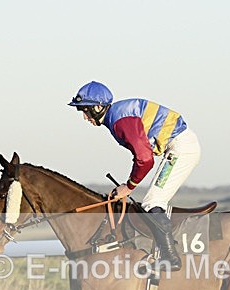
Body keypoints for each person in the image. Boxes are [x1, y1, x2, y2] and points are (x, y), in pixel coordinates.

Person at [68, 81, 201, 270]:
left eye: (85, 110)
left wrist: (128, 187)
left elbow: (145, 159)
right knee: (151, 201)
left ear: (98, 107)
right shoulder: (117, 116)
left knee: (152, 203)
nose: (84, 117)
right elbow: (141, 155)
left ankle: (170, 259)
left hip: (181, 149)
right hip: (178, 146)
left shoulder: (120, 121)